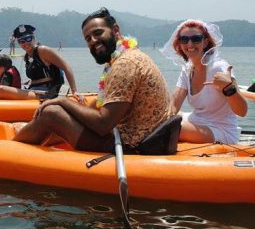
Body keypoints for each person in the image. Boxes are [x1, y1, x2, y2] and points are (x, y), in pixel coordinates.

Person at [13, 8, 172, 153]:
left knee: (51, 113)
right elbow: (100, 103)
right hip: (147, 137)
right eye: (88, 38)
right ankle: (34, 132)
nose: (93, 41)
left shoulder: (125, 64)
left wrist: (63, 101)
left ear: (115, 30)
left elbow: (103, 125)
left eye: (98, 33)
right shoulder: (128, 57)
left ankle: (12, 147)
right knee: (58, 116)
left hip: (133, 145)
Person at [160, 19, 248, 144]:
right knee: (159, 116)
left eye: (196, 39)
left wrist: (229, 88)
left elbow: (242, 111)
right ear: (179, 44)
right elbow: (174, 105)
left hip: (221, 129)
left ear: (205, 42)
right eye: (184, 39)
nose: (190, 44)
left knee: (172, 128)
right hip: (197, 120)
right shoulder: (187, 69)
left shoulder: (218, 68)